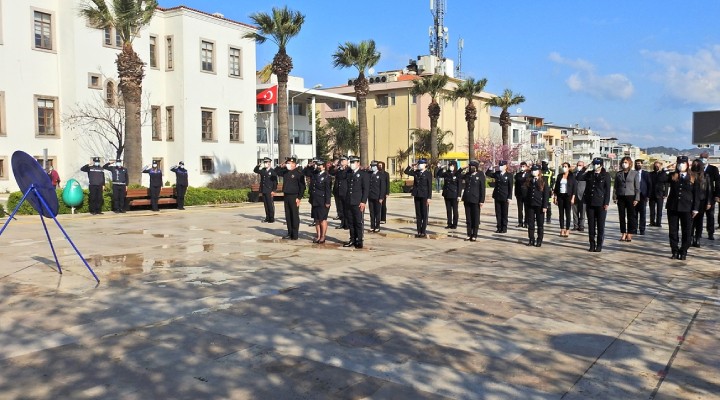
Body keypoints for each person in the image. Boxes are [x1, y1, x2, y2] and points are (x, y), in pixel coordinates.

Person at [665, 156, 700, 260]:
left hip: (687, 208)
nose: (681, 165)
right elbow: (660, 179)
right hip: (673, 207)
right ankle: (674, 251)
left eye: (683, 163)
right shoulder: (673, 175)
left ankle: (683, 250)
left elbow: (696, 194)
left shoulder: (693, 177)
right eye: (679, 163)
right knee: (673, 231)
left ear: (687, 165)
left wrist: (695, 208)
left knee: (687, 231)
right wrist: (666, 168)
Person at [578, 157, 611, 252]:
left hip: (600, 203)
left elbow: (607, 191)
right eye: (594, 164)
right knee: (591, 225)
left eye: (597, 164)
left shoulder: (606, 175)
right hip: (590, 202)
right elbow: (579, 177)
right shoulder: (589, 174)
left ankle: (599, 244)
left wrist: (606, 203)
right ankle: (592, 244)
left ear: (601, 165)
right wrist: (585, 167)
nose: (595, 165)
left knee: (600, 225)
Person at [275, 157, 305, 240]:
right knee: (288, 215)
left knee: (294, 215)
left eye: (290, 163)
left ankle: (295, 234)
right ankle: (289, 232)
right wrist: (281, 166)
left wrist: (299, 198)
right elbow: (276, 172)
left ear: (294, 164)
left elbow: (302, 187)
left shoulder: (299, 173)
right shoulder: (285, 172)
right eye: (287, 163)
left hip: (294, 196)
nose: (288, 164)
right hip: (287, 195)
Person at [613, 156, 640, 242]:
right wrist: (614, 196)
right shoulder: (618, 174)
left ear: (629, 163)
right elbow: (615, 187)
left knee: (631, 216)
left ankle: (629, 233)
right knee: (621, 216)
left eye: (626, 162)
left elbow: (637, 187)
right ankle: (623, 233)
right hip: (621, 196)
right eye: (623, 162)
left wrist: (637, 198)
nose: (624, 164)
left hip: (630, 196)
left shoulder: (634, 173)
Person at [344, 156, 369, 248]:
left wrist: (363, 202)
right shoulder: (349, 173)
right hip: (349, 201)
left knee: (358, 222)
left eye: (354, 162)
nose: (352, 164)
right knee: (350, 222)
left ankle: (359, 240)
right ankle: (352, 239)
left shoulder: (363, 174)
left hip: (358, 202)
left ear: (358, 163)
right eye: (351, 162)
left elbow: (366, 189)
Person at [404, 158, 433, 238]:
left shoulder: (428, 173)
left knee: (424, 214)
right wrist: (411, 165)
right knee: (418, 214)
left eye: (421, 164)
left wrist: (429, 197)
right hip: (417, 194)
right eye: (419, 164)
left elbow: (429, 186)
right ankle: (419, 231)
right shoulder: (416, 172)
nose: (420, 165)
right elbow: (406, 172)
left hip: (424, 195)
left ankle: (423, 231)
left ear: (425, 165)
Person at [525, 164, 551, 247]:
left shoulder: (543, 180)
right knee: (531, 223)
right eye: (532, 170)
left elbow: (546, 194)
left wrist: (545, 206)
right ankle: (531, 239)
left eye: (535, 170)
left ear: (539, 171)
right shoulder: (529, 180)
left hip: (539, 205)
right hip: (530, 204)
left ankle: (539, 240)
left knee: (540, 224)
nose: (534, 172)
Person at [691, 158, 713, 247]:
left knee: (699, 221)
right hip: (691, 200)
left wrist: (708, 202)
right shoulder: (690, 175)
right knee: (691, 220)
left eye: (697, 165)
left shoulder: (706, 176)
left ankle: (698, 238)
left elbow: (709, 190)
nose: (695, 166)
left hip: (702, 200)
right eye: (694, 164)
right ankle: (691, 237)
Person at [461, 160, 485, 241]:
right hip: (467, 198)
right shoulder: (468, 174)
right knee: (468, 218)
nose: (472, 168)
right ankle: (469, 234)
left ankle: (474, 234)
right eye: (470, 166)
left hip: (476, 199)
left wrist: (482, 200)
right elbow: (458, 175)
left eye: (473, 166)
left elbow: (482, 188)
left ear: (476, 167)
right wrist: (462, 168)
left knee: (475, 218)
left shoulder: (480, 175)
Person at [309, 159, 332, 244]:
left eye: (320, 165)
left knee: (322, 219)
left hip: (322, 200)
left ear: (323, 166)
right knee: (317, 219)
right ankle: (318, 236)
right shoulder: (315, 174)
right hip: (315, 200)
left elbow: (328, 190)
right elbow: (306, 172)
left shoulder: (327, 176)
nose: (318, 166)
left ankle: (323, 236)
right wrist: (310, 166)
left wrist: (327, 201)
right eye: (317, 165)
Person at [486, 160, 513, 233]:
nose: (500, 167)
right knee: (498, 213)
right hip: (497, 196)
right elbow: (488, 174)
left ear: (505, 166)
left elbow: (510, 187)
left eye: (502, 166)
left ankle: (504, 228)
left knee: (504, 213)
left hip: (505, 196)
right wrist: (491, 168)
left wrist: (509, 197)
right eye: (500, 166)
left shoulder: (509, 175)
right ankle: (499, 227)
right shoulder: (497, 174)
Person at [553, 162, 576, 237]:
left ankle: (567, 229)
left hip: (568, 196)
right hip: (560, 196)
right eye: (563, 166)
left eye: (565, 166)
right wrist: (555, 197)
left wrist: (573, 198)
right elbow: (556, 187)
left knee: (568, 213)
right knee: (561, 213)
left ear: (569, 168)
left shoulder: (572, 176)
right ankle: (562, 229)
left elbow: (574, 188)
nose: (564, 168)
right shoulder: (559, 176)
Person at [699, 151, 719, 240]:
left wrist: (717, 195)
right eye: (702, 157)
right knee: (699, 216)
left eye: (705, 157)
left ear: (708, 159)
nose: (703, 159)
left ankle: (710, 233)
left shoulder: (713, 169)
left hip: (710, 196)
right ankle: (698, 233)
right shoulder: (697, 168)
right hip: (699, 196)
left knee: (710, 216)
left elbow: (717, 183)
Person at [439, 160, 462, 229]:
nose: (450, 167)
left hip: (454, 194)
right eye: (450, 165)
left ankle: (455, 224)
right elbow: (438, 175)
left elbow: (459, 186)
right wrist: (441, 168)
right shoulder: (447, 173)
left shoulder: (458, 174)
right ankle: (449, 223)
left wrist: (459, 195)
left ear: (455, 166)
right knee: (448, 210)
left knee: (455, 210)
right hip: (447, 193)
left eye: (452, 165)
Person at [254, 157, 278, 222]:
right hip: (264, 190)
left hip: (269, 190)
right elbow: (255, 170)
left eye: (266, 162)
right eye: (264, 162)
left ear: (269, 163)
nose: (265, 164)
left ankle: (271, 218)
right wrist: (258, 165)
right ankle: (267, 217)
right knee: (266, 205)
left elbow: (275, 182)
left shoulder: (272, 171)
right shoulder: (263, 170)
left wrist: (274, 190)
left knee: (270, 204)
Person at [367, 160, 388, 233]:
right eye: (372, 166)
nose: (372, 167)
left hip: (377, 196)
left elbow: (383, 187)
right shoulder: (369, 174)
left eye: (374, 166)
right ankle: (372, 226)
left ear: (377, 167)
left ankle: (377, 226)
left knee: (377, 212)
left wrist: (381, 197)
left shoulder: (381, 175)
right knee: (371, 212)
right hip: (370, 196)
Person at [329, 156, 349, 230]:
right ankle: (342, 223)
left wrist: (343, 169)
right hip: (337, 191)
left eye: (343, 160)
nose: (342, 162)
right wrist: (334, 165)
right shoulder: (338, 169)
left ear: (347, 161)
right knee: (340, 209)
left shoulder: (349, 170)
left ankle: (347, 224)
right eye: (341, 161)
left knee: (346, 209)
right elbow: (330, 172)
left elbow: (345, 177)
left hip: (345, 191)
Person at [633, 159, 651, 235]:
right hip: (634, 196)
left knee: (642, 214)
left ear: (642, 165)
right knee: (634, 213)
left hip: (643, 195)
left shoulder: (646, 174)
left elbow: (649, 185)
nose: (638, 165)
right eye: (636, 163)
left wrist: (648, 195)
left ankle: (642, 229)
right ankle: (634, 229)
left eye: (639, 163)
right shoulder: (632, 173)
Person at [649, 160, 668, 228]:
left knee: (659, 209)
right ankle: (652, 222)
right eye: (655, 165)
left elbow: (666, 184)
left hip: (660, 194)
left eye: (657, 166)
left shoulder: (663, 174)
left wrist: (665, 194)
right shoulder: (650, 174)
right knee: (652, 210)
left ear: (660, 166)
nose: (656, 167)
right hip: (652, 194)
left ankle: (658, 222)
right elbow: (649, 184)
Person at [572, 161, 587, 232]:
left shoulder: (586, 174)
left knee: (582, 212)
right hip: (574, 196)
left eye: (581, 165)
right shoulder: (573, 174)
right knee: (575, 212)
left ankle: (581, 226)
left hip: (583, 196)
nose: (579, 166)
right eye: (578, 165)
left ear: (583, 166)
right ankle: (575, 225)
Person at [514, 162, 529, 228]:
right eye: (521, 166)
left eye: (523, 166)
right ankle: (520, 222)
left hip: (526, 194)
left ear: (526, 167)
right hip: (519, 194)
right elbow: (516, 184)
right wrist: (515, 193)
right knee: (520, 209)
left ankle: (526, 222)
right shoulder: (518, 174)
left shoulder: (529, 174)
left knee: (527, 209)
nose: (522, 167)